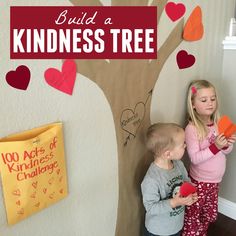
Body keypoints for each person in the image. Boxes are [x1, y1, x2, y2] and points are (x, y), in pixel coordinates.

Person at [182, 80, 236, 236]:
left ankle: (202, 233)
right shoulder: (192, 128)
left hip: (215, 181)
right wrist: (216, 147)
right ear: (193, 104)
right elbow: (195, 158)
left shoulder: (220, 123)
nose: (210, 103)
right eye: (204, 100)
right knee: (193, 216)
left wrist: (226, 145)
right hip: (199, 182)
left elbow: (226, 151)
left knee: (207, 215)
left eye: (213, 99)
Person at [141, 123, 198, 236]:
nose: (185, 146)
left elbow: (186, 181)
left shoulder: (179, 165)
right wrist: (174, 202)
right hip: (158, 231)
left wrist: (191, 192)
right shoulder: (151, 179)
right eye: (182, 145)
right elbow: (151, 208)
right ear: (168, 154)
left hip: (175, 226)